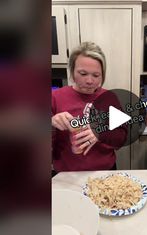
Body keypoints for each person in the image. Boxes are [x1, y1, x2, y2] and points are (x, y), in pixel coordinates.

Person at [52, 42, 127, 172]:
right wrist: (51, 123)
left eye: (96, 75)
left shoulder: (110, 98)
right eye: (83, 73)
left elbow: (122, 137)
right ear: (72, 71)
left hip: (105, 173)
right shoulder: (55, 97)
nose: (89, 81)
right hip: (66, 175)